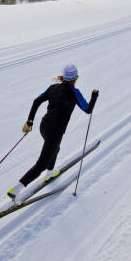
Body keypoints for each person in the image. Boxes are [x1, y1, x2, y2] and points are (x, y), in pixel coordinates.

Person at [7, 64, 99, 204]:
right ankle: (16, 190)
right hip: (55, 131)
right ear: (75, 78)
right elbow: (88, 109)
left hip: (44, 126)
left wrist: (30, 122)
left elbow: (36, 101)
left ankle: (50, 173)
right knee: (41, 163)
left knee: (55, 149)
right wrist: (94, 96)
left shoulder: (52, 88)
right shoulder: (75, 92)